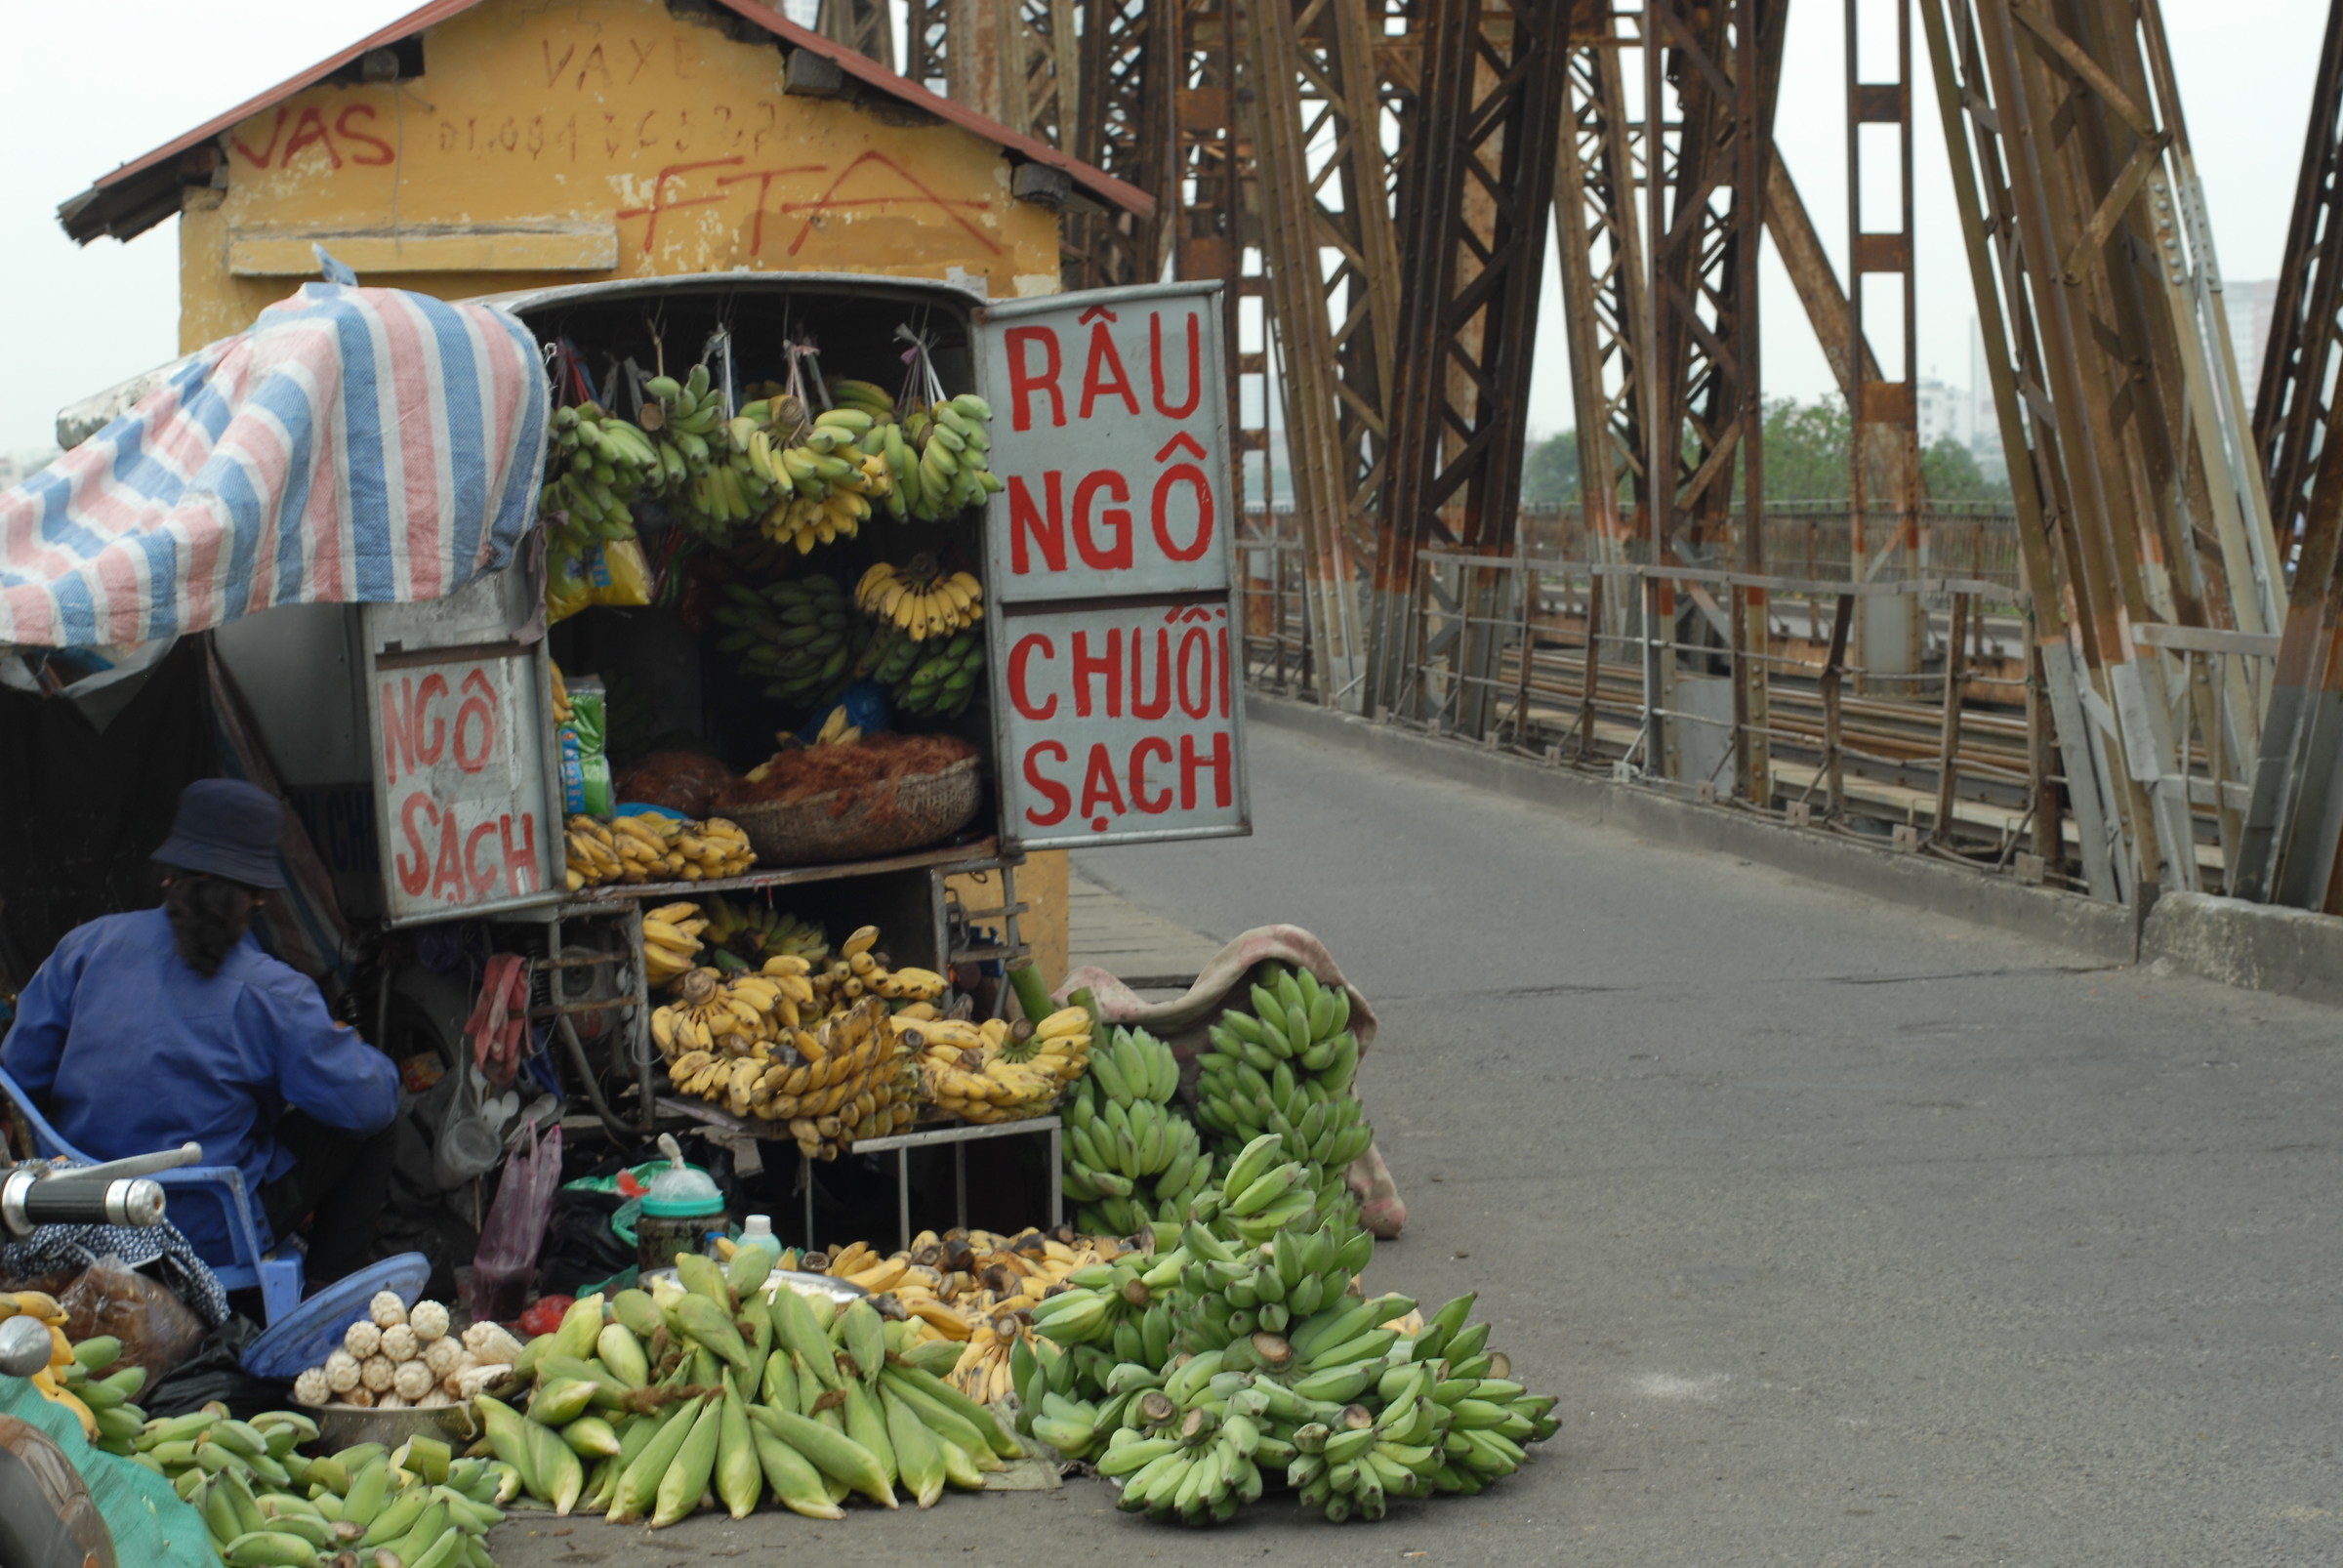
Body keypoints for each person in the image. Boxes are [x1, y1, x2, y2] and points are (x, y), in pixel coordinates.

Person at [2, 779, 399, 1286]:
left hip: (85, 1214)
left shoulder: (86, 948)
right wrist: (343, 1044)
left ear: (169, 876)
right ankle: (327, 1304)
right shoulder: (276, 994)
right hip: (210, 1232)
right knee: (374, 1117)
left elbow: (17, 1075)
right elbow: (371, 1102)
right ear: (257, 898)